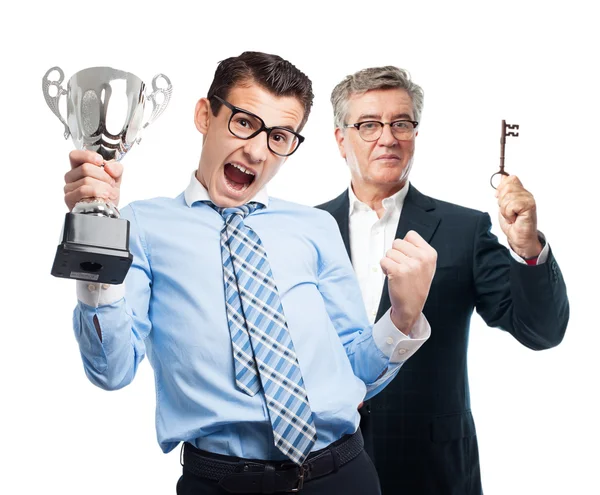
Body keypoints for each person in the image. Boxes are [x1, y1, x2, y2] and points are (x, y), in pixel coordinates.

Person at [62, 53, 436, 494]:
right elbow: (112, 370)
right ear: (206, 115)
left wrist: (403, 319)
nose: (257, 151)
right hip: (222, 483)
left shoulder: (315, 227)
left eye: (279, 136)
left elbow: (356, 370)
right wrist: (96, 234)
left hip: (344, 474)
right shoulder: (141, 226)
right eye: (243, 123)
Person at [317, 66, 569, 495]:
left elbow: (540, 330)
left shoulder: (462, 229)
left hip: (432, 470)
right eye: (369, 124)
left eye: (402, 123)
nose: (388, 137)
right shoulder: (306, 229)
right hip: (322, 465)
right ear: (341, 139)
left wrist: (528, 248)